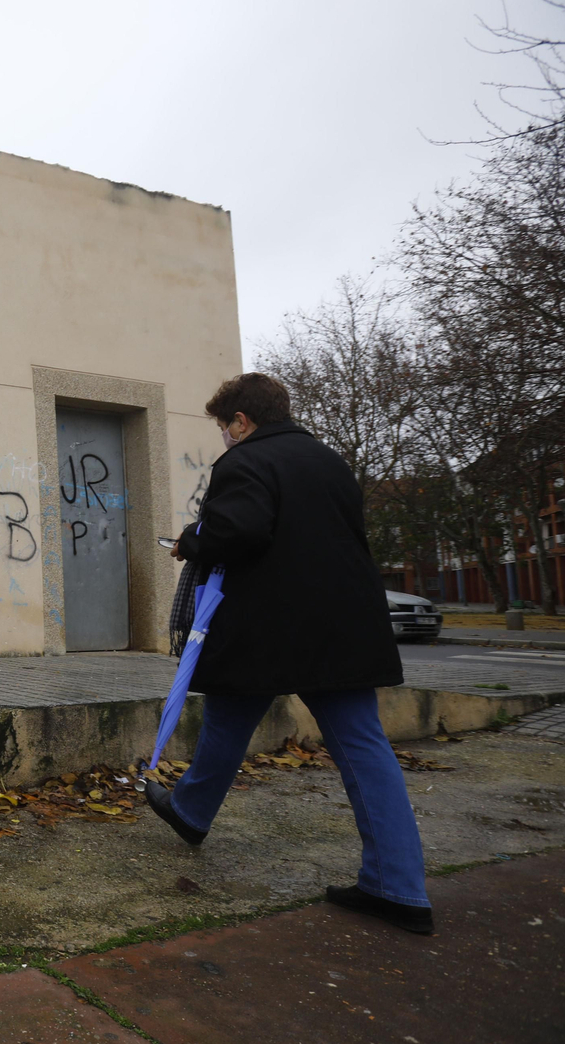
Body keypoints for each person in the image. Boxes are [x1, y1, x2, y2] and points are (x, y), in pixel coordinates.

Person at [149, 372, 433, 935]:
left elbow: (241, 531)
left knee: (230, 719)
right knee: (362, 746)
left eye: (225, 426)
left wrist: (191, 541)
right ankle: (398, 887)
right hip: (345, 627)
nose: (225, 437)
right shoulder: (330, 461)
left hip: (268, 630)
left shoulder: (244, 461)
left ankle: (191, 811)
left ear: (242, 421)